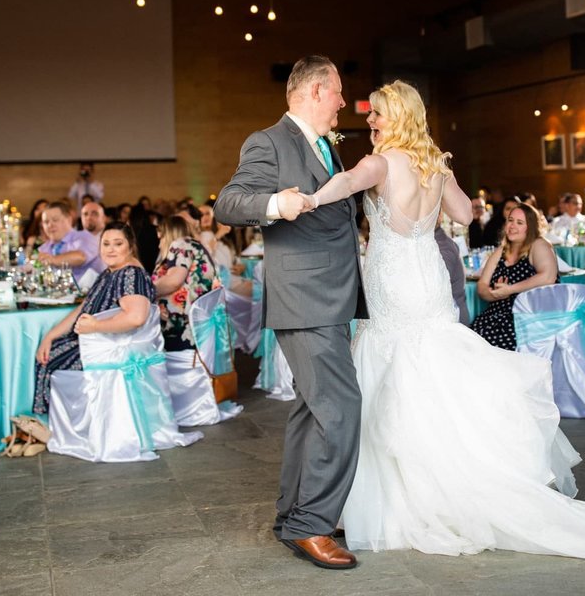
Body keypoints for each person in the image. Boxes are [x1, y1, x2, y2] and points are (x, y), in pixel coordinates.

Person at [292, 80, 585, 566]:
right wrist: (444, 171)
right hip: (427, 273)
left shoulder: (378, 163)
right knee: (431, 363)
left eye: (378, 115)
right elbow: (463, 213)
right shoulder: (433, 163)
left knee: (395, 364)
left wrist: (302, 201)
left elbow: (343, 186)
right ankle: (447, 473)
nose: (369, 122)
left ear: (400, 117)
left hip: (394, 279)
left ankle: (405, 495)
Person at [214, 54, 365, 570]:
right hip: (304, 298)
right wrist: (277, 204)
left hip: (332, 296)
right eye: (339, 92)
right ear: (317, 90)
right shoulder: (270, 141)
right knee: (341, 410)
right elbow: (229, 203)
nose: (345, 102)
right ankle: (313, 524)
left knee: (312, 409)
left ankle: (295, 515)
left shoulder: (325, 145)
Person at [32, 222, 156, 415]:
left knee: (52, 361)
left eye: (118, 244)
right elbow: (83, 308)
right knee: (46, 352)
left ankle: (58, 426)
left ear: (130, 246)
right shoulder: (110, 272)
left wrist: (96, 326)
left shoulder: (131, 274)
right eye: (106, 244)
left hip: (108, 348)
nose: (111, 249)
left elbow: (136, 317)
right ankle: (48, 425)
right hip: (94, 340)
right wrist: (50, 336)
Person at [471, 202, 559, 350]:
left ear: (530, 227)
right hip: (494, 317)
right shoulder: (501, 251)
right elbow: (482, 285)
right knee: (470, 340)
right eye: (510, 220)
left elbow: (548, 277)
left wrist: (510, 289)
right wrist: (495, 295)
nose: (512, 226)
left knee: (492, 346)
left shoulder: (538, 244)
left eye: (519, 223)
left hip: (526, 318)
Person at [152, 215, 223, 352]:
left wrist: (144, 291)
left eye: (161, 239)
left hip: (183, 326)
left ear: (170, 234)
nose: (160, 244)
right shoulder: (194, 245)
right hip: (196, 325)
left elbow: (173, 281)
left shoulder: (181, 244)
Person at [37, 201, 104, 283]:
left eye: (55, 220)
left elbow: (80, 257)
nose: (50, 225)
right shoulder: (44, 248)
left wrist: (52, 259)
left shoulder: (86, 237)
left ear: (68, 219)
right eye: (46, 222)